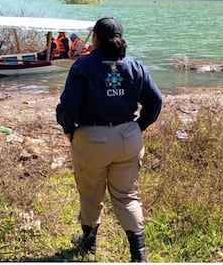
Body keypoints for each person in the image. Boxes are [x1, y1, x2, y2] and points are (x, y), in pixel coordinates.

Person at [56, 17, 163, 262]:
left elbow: (68, 107)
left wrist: (68, 129)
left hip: (92, 140)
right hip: (128, 138)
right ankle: (139, 256)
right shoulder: (135, 66)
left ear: (95, 38)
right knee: (127, 196)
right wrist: (138, 127)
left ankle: (88, 245)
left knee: (91, 194)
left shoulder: (82, 67)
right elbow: (155, 102)